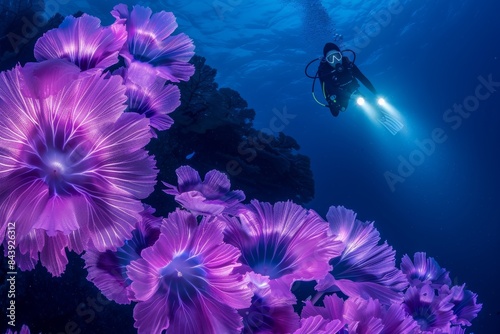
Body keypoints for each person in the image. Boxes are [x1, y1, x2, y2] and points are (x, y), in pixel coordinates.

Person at [317, 42, 377, 117]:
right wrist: (332, 102)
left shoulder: (349, 65)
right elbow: (331, 89)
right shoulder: (325, 73)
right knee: (338, 111)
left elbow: (363, 78)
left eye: (337, 56)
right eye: (330, 59)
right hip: (338, 94)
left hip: (352, 89)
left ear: (341, 55)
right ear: (327, 61)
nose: (335, 60)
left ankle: (375, 111)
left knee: (364, 100)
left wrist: (376, 93)